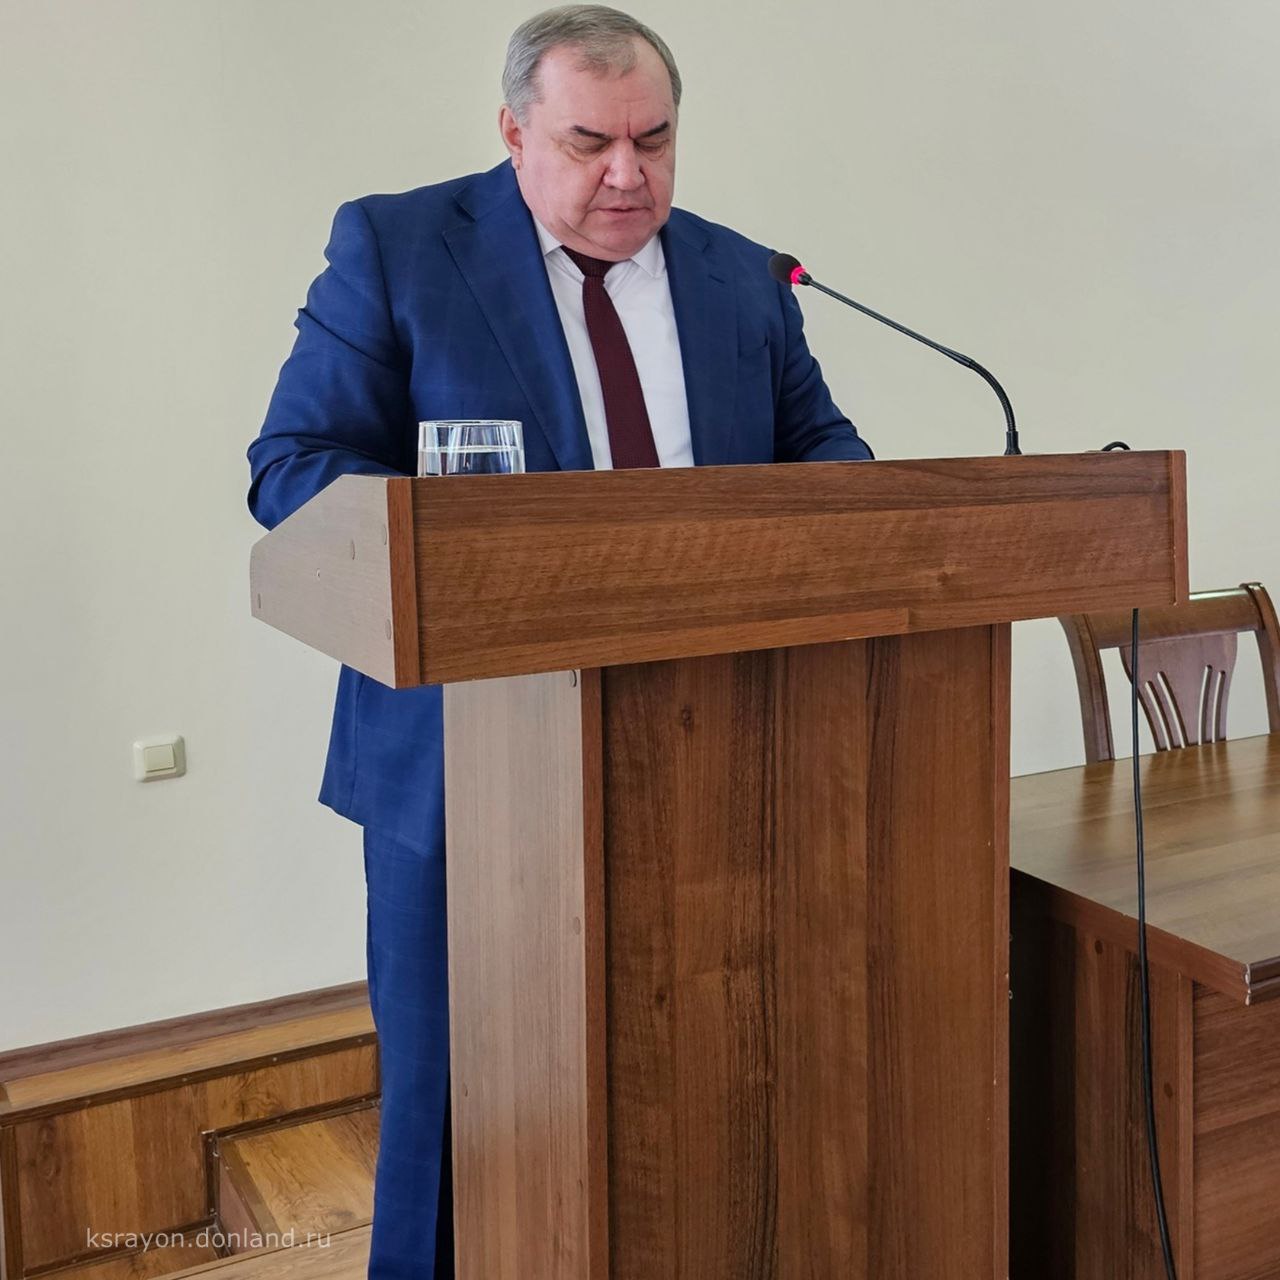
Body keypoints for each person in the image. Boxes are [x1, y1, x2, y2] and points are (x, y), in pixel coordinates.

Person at [246, 5, 872, 1275]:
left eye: (654, 140)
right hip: (465, 759)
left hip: (712, 742)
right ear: (514, 132)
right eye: (590, 143)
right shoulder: (399, 247)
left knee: (698, 1069)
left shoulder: (739, 274)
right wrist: (476, 549)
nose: (627, 174)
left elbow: (825, 452)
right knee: (452, 1103)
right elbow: (294, 464)